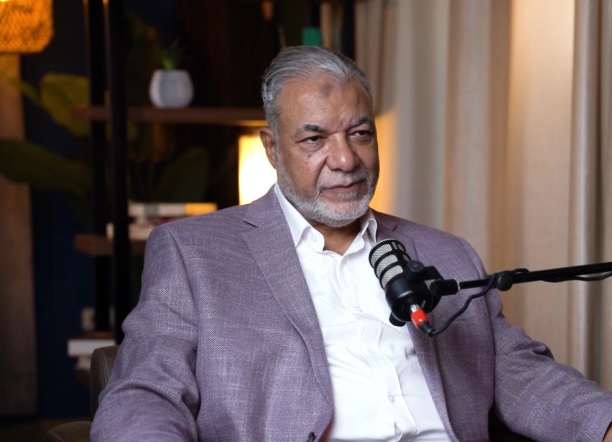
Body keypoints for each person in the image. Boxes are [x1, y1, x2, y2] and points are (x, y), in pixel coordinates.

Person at [91, 45, 612, 442]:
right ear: (272, 148)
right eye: (314, 139)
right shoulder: (194, 253)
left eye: (360, 134)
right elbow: (145, 392)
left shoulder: (446, 253)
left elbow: (519, 373)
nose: (345, 160)